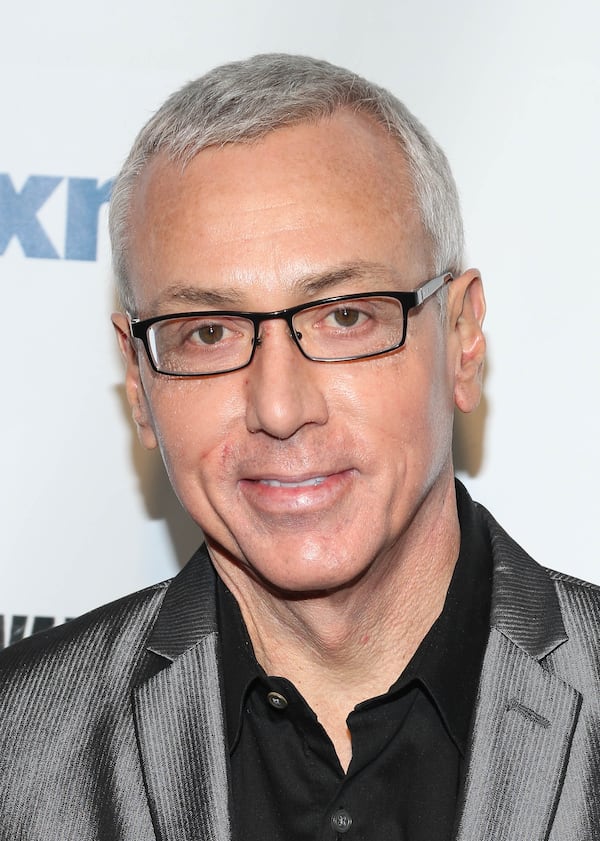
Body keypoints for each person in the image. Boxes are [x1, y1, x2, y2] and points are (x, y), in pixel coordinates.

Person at [0, 53, 598, 841]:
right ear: (139, 383)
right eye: (207, 332)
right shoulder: (19, 751)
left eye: (345, 315)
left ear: (461, 338)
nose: (279, 409)